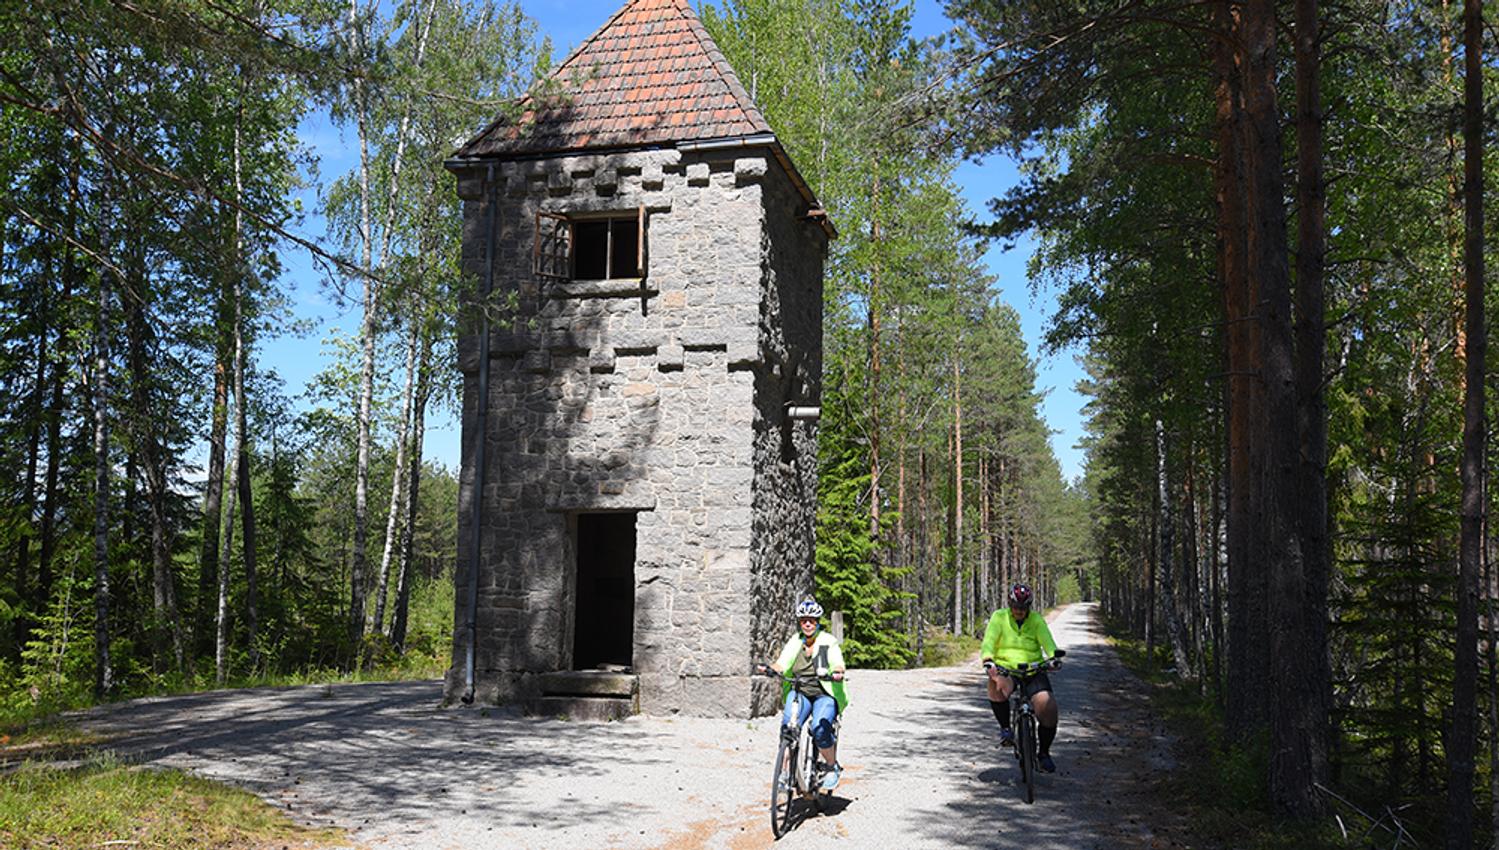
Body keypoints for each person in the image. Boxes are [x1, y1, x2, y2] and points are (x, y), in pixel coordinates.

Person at [759, 598, 848, 790]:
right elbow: (782, 663)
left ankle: (831, 766)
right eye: (804, 620)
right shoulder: (795, 641)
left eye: (811, 620)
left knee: (820, 728)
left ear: (817, 622)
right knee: (788, 728)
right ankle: (784, 773)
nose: (807, 624)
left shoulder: (827, 641)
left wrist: (837, 672)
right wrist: (771, 669)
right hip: (800, 690)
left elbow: (837, 662)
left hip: (824, 692)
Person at [980, 583, 1062, 773]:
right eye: (1016, 606)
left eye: (1023, 608)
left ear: (1029, 607)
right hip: (1007, 668)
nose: (1019, 611)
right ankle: (1006, 729)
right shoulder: (999, 617)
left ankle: (1044, 753)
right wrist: (988, 659)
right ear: (1010, 604)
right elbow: (989, 641)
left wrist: (1053, 657)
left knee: (1048, 708)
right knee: (995, 685)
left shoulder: (1036, 620)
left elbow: (1048, 641)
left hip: (1034, 670)